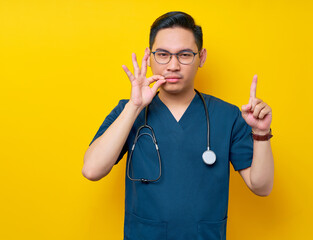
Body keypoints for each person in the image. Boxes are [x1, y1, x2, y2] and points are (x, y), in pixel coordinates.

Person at [83, 11, 274, 240]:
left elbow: (261, 187)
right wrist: (134, 106)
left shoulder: (228, 116)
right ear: (149, 56)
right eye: (163, 54)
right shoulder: (128, 111)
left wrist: (261, 132)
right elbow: (91, 170)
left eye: (185, 55)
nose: (173, 65)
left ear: (201, 57)